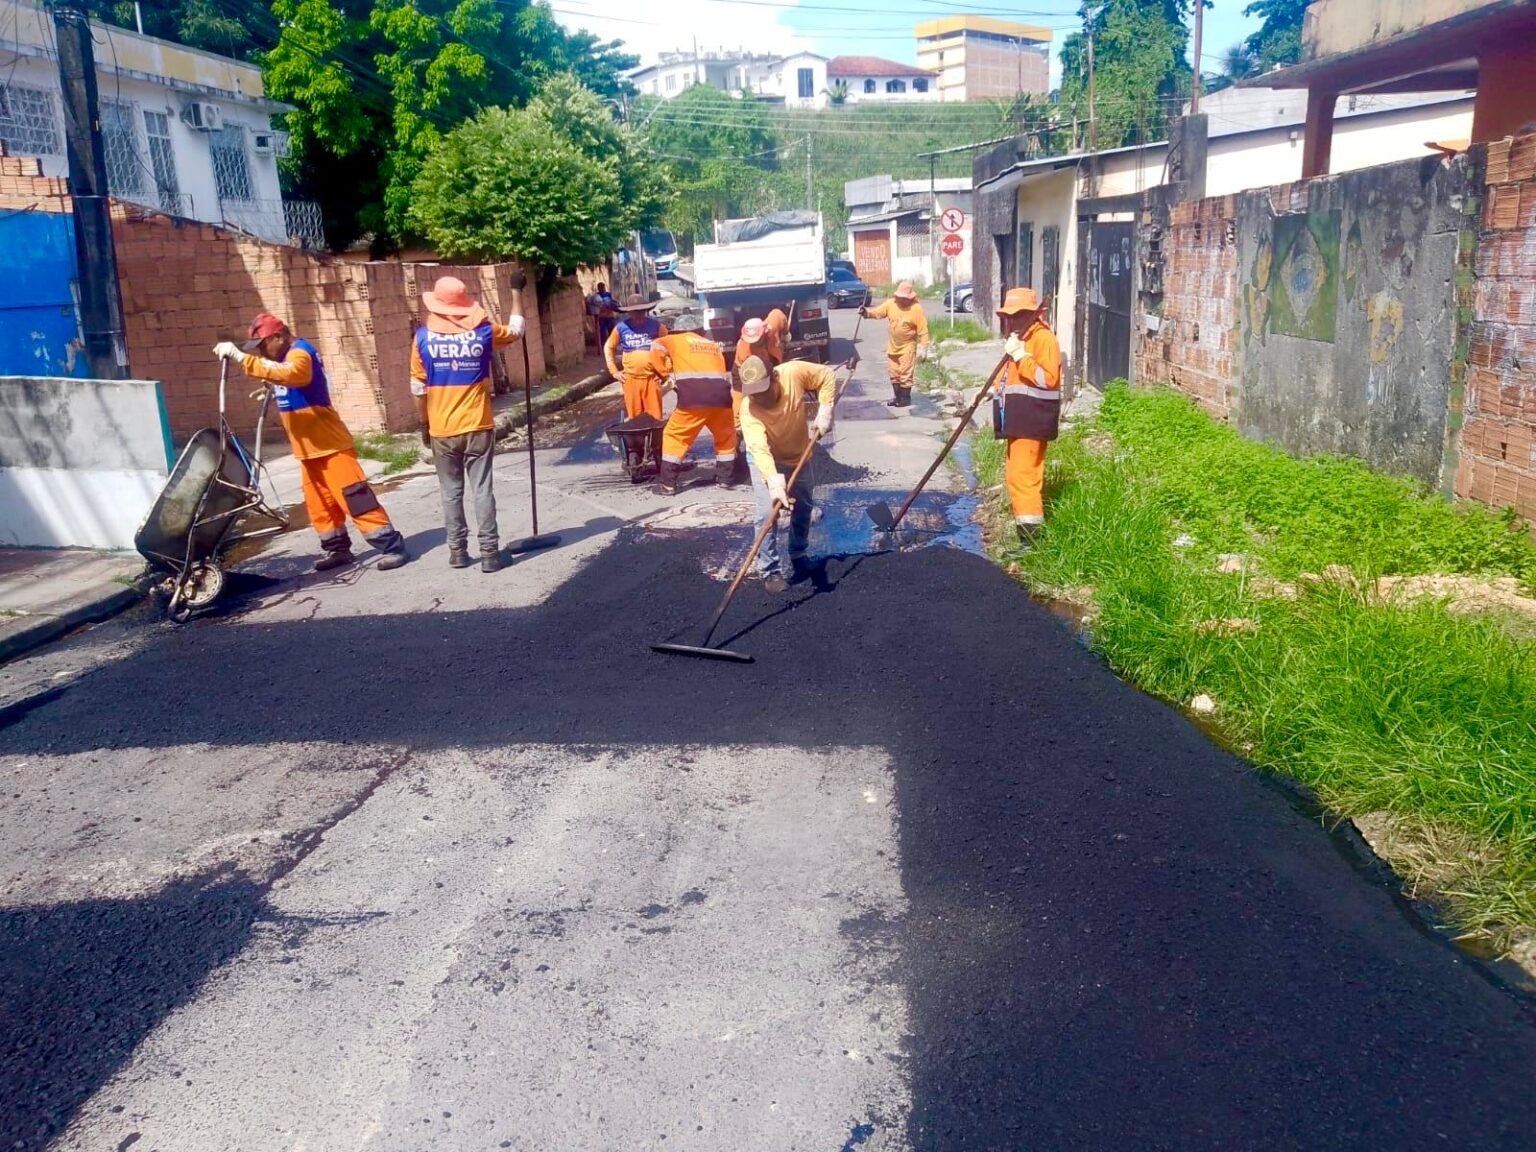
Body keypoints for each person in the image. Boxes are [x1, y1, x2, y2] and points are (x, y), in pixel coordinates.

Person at [214, 314, 409, 572]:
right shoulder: (284, 358)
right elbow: (290, 380)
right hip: (308, 451)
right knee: (321, 506)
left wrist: (242, 358)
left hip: (330, 447)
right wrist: (272, 387)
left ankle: (392, 547)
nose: (263, 352)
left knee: (356, 499)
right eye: (258, 350)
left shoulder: (300, 353)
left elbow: (295, 374)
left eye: (263, 346)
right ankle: (338, 550)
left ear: (279, 337)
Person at [411, 274, 526, 573]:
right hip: (477, 425)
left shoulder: (422, 338)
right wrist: (515, 292)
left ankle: (458, 552)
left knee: (451, 492)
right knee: (482, 489)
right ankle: (489, 554)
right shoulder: (483, 332)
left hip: (442, 429)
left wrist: (424, 424)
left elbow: (417, 389)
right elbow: (516, 330)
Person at [736, 353, 848, 593]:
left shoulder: (793, 372)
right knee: (767, 513)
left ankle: (798, 552)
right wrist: (775, 484)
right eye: (754, 392)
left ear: (774, 377)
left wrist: (825, 408)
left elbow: (827, 375)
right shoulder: (749, 410)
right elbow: (759, 449)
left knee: (804, 506)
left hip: (798, 455)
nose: (760, 397)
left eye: (763, 390)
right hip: (765, 461)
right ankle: (769, 570)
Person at [993, 287, 1063, 543]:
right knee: (1016, 475)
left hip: (1032, 418)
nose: (1013, 320)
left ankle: (1032, 542)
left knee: (1024, 478)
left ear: (1035, 313)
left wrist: (1021, 356)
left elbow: (1048, 379)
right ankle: (1026, 535)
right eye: (1009, 315)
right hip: (1019, 418)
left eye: (1020, 314)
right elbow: (1011, 380)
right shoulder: (1021, 337)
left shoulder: (1043, 339)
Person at [650, 318, 740, 495]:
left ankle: (668, 485)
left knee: (675, 436)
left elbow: (655, 347)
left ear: (677, 331)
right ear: (700, 331)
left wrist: (665, 373)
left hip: (694, 398)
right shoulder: (713, 345)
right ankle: (725, 479)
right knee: (725, 435)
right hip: (722, 398)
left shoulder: (674, 339)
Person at [859, 280, 929, 408]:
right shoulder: (891, 304)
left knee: (905, 373)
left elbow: (923, 330)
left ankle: (905, 399)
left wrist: (924, 348)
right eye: (899, 297)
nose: (900, 300)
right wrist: (866, 313)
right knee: (894, 373)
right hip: (893, 346)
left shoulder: (916, 309)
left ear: (910, 298)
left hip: (907, 346)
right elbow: (877, 312)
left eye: (903, 298)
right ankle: (898, 397)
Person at [604, 294, 668, 420]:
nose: (638, 314)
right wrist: (614, 372)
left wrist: (665, 374)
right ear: (629, 312)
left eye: (641, 311)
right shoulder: (621, 328)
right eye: (635, 311)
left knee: (655, 419)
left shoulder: (657, 326)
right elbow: (608, 348)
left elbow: (669, 349)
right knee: (635, 420)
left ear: (645, 311)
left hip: (652, 379)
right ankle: (637, 440)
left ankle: (654, 440)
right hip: (630, 380)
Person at [587, 282, 617, 347]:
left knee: (611, 330)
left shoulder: (608, 294)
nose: (603, 289)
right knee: (602, 331)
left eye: (603, 287)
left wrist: (611, 308)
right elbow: (594, 304)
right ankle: (604, 345)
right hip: (601, 316)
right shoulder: (597, 296)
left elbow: (612, 302)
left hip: (609, 315)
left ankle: (613, 344)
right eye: (601, 287)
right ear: (598, 288)